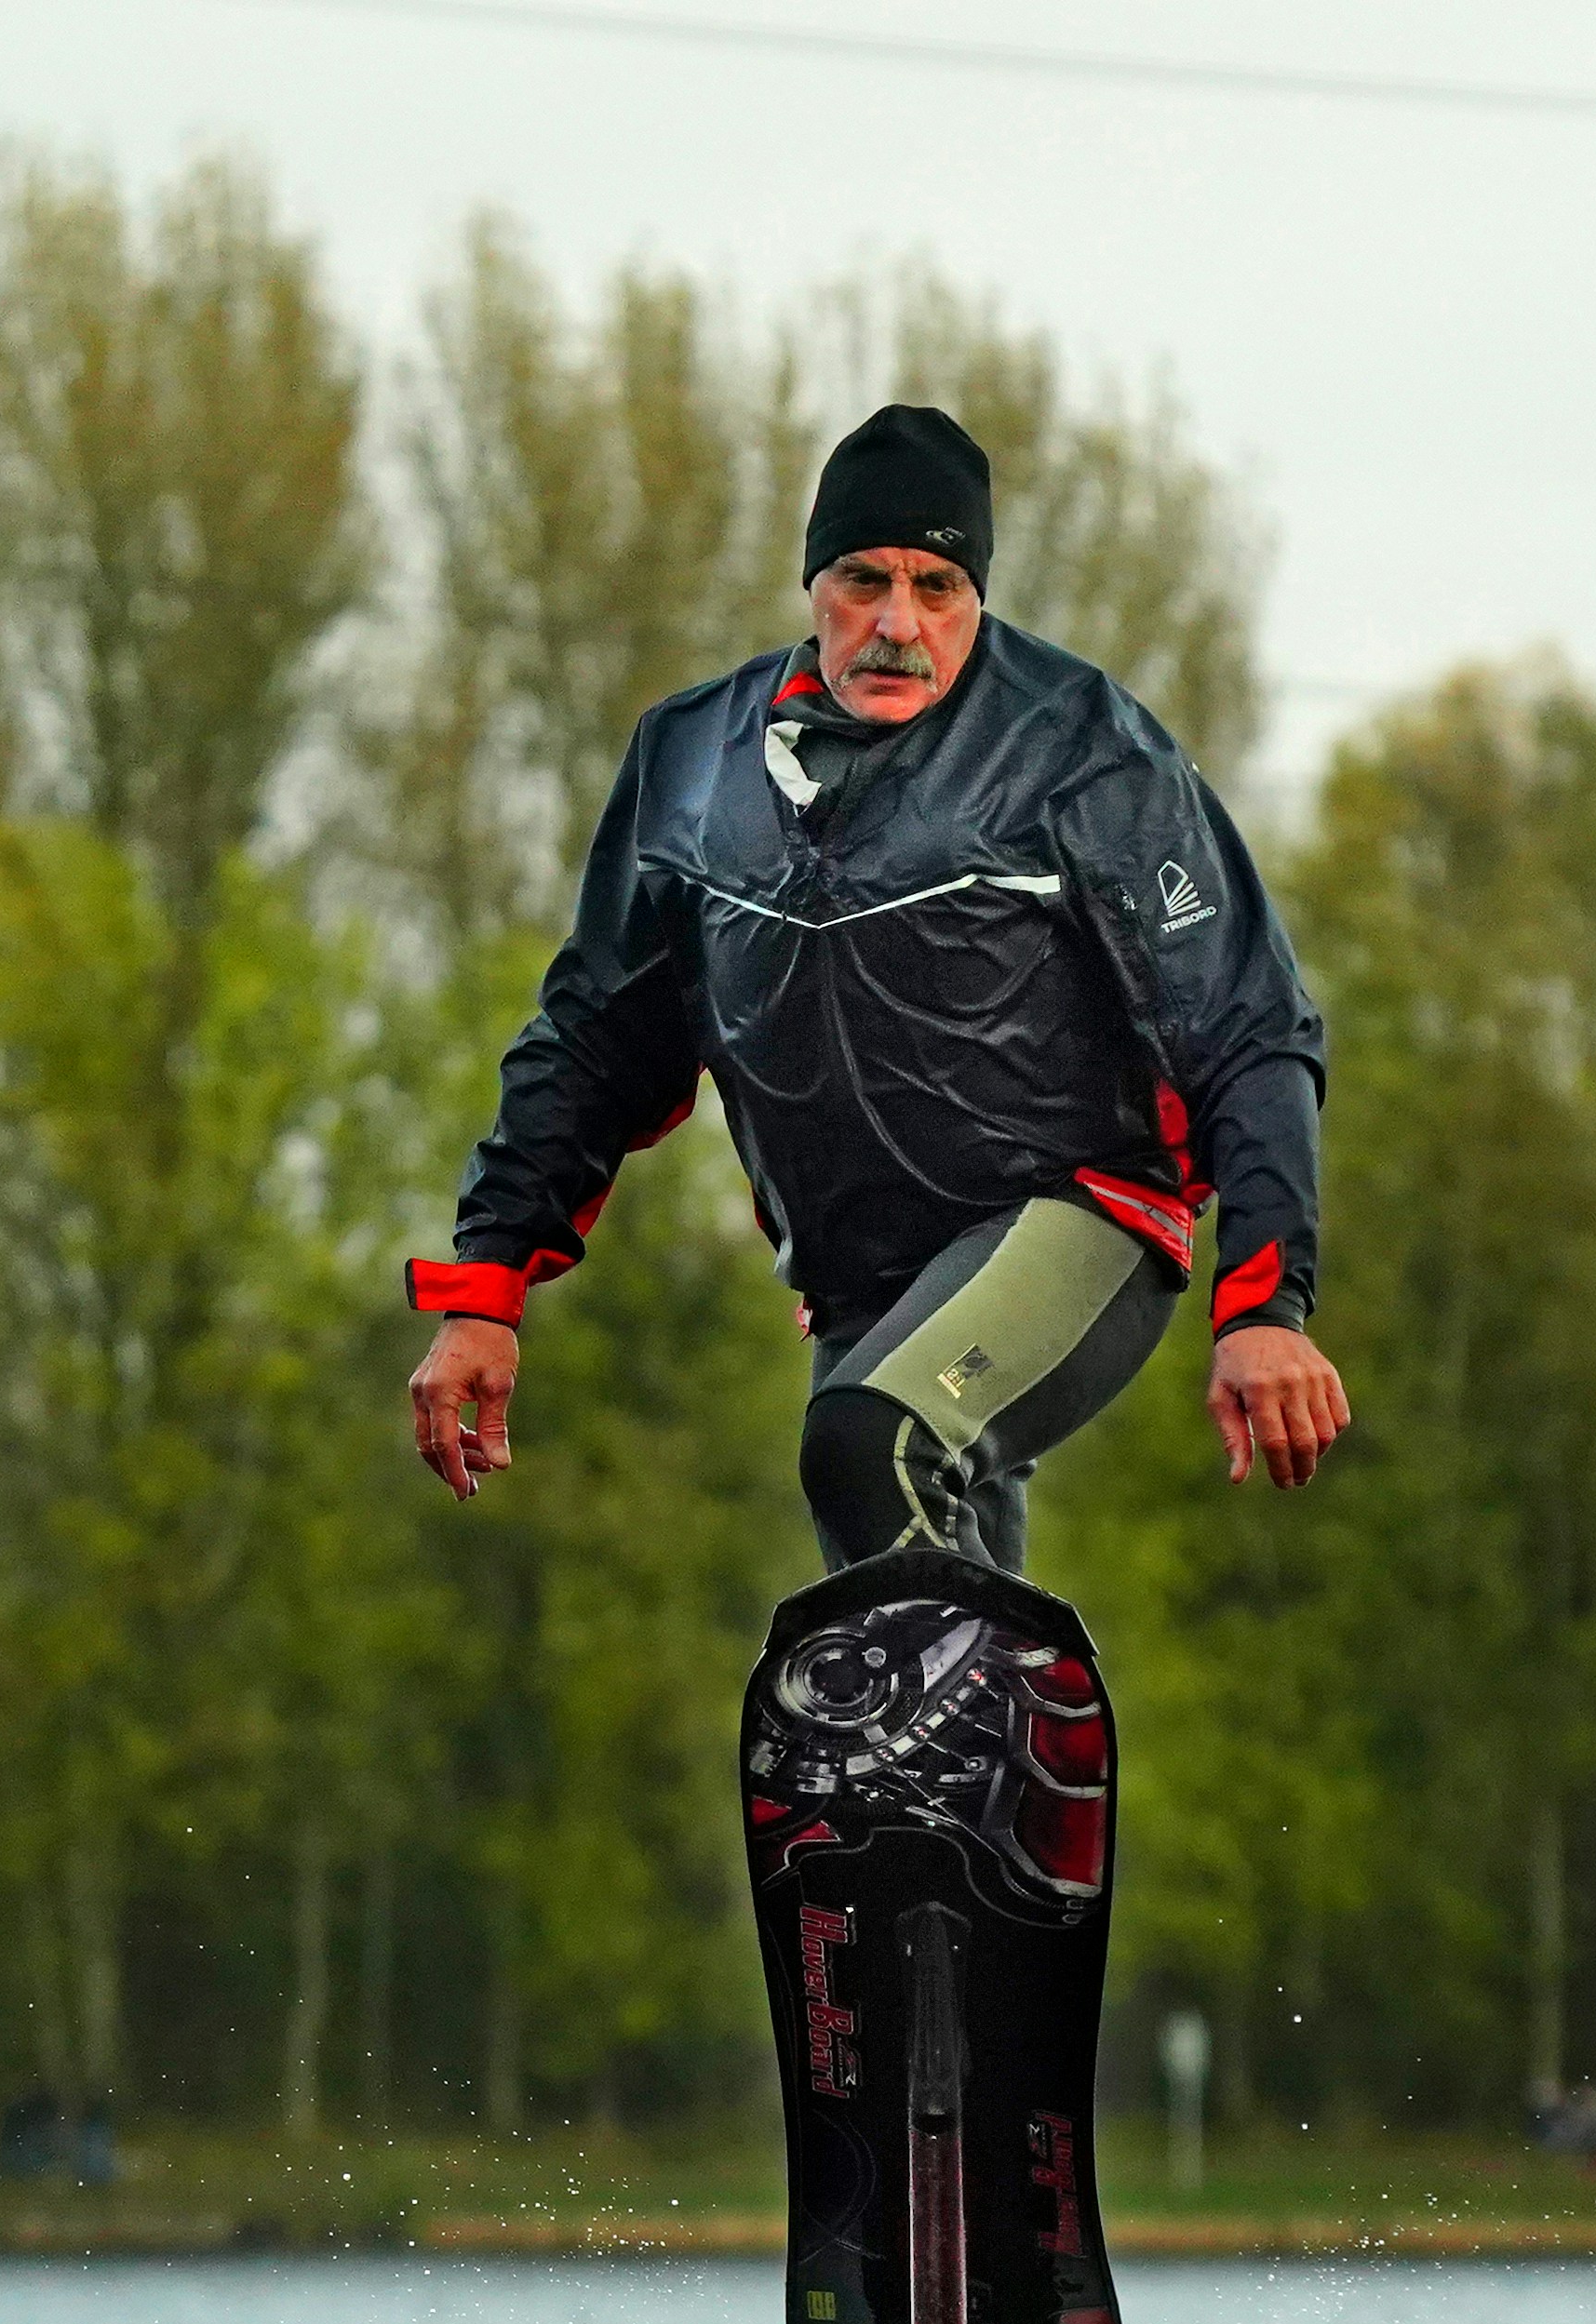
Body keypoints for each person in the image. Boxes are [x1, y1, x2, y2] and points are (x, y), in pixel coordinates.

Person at [406, 402, 1348, 1576]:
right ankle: (1005, 1766)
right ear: (815, 585)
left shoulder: (1085, 750)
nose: (898, 624)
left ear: (975, 600)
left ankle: (973, 1752)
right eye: (865, 579)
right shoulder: (693, 760)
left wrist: (1265, 1305)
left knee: (870, 1447)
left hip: (1079, 1219)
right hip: (861, 1284)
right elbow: (597, 1042)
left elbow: (1251, 1029)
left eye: (937, 587)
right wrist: (486, 1283)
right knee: (895, 1614)